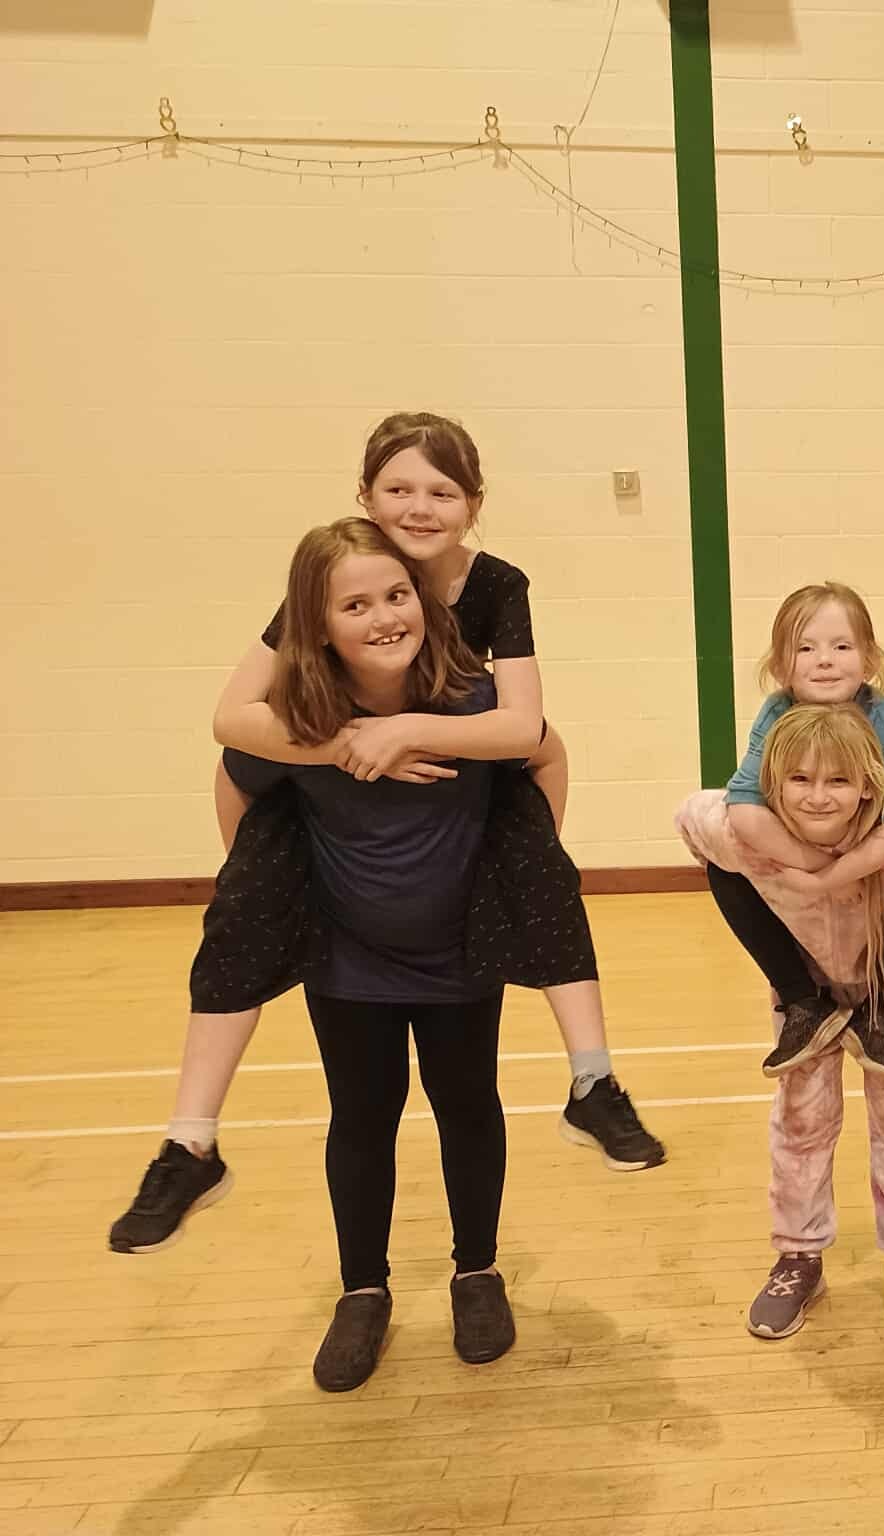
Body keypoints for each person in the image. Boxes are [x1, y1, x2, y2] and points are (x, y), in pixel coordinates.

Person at [109, 413, 662, 1257]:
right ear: (364, 498)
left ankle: (593, 1079)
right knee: (244, 913)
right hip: (329, 770)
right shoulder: (343, 570)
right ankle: (190, 1141)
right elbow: (232, 724)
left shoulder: (492, 585)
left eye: (443, 491)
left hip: (461, 768)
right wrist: (339, 750)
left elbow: (528, 731)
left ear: (474, 503)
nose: (420, 507)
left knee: (542, 868)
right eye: (398, 489)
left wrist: (412, 739)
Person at [217, 518, 521, 1390]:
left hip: (461, 953)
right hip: (349, 962)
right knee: (362, 1119)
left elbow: (542, 753)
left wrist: (519, 883)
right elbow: (235, 779)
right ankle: (362, 1289)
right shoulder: (296, 718)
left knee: (467, 1106)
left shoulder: (470, 698)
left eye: (397, 595)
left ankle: (477, 1270)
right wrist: (272, 897)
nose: (385, 616)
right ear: (314, 624)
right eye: (356, 604)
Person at [677, 705, 884, 1341]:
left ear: (869, 786)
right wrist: (787, 855)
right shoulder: (744, 832)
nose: (819, 797)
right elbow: (694, 817)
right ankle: (799, 1253)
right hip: (806, 986)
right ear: (771, 784)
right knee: (802, 1117)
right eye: (798, 781)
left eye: (838, 782)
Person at [702, 583, 884, 1082]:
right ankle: (802, 1003)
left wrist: (831, 877)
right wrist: (814, 865)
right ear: (779, 665)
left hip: (877, 852)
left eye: (841, 646)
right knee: (724, 869)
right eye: (805, 647)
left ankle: (881, 1011)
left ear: (869, 660)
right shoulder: (777, 713)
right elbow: (743, 811)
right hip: (814, 852)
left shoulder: (880, 714)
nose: (825, 660)